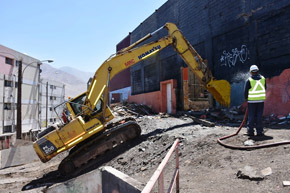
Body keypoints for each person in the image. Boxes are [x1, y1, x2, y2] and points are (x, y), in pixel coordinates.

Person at [244, 65, 267, 136]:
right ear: (258, 71)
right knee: (259, 116)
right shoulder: (263, 79)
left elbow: (245, 92)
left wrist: (246, 98)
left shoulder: (249, 80)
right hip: (260, 101)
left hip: (251, 101)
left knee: (251, 116)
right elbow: (265, 88)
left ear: (251, 72)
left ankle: (250, 131)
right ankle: (259, 131)